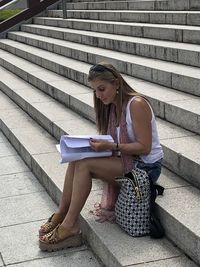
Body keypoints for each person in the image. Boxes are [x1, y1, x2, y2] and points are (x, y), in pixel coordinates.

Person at [39, 62, 164, 251]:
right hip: (128, 160)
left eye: (102, 89)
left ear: (116, 83)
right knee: (77, 159)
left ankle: (70, 226)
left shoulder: (136, 104)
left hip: (146, 167)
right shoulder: (113, 106)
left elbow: (145, 147)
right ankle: (62, 214)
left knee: (85, 165)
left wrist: (110, 146)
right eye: (95, 91)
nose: (98, 95)